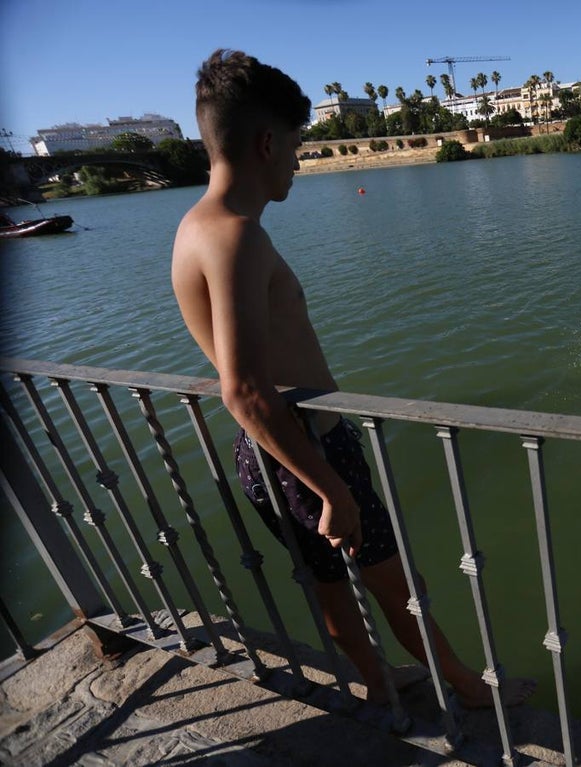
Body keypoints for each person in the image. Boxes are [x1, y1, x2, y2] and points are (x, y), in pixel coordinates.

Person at [170, 49, 534, 710]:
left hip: (270, 452)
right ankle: (471, 689)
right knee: (399, 585)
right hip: (306, 449)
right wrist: (332, 485)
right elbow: (245, 388)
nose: (299, 161)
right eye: (298, 145)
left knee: (329, 584)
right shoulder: (236, 237)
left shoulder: (194, 227)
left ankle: (377, 678)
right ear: (266, 142)